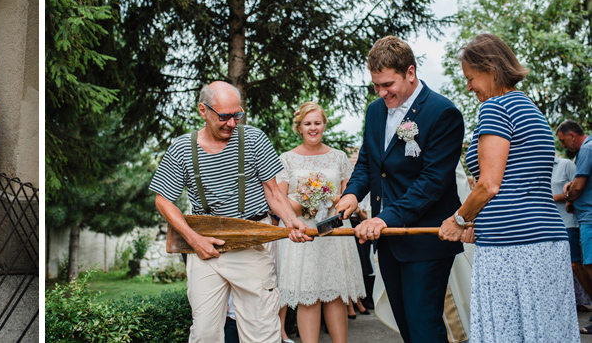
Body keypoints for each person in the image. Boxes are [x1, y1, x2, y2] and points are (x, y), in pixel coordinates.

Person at [436, 33, 576, 341]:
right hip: (546, 239)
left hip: (512, 248)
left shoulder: (496, 108)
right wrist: (479, 222)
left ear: (492, 69)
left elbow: (489, 184)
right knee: (545, 332)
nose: (469, 87)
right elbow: (519, 182)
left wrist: (459, 220)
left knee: (507, 333)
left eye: (471, 78)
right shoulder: (529, 108)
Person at [150, 81, 308, 342]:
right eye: (224, 116)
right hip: (206, 248)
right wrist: (194, 240)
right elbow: (163, 200)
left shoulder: (255, 139)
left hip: (252, 243)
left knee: (262, 333)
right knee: (204, 333)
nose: (232, 123)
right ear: (203, 110)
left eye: (237, 114)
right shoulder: (181, 148)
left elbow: (273, 192)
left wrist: (291, 221)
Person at [334, 36, 465, 343]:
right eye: (376, 85)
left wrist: (384, 218)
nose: (382, 93)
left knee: (424, 325)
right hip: (389, 239)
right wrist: (352, 194)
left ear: (410, 72)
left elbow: (433, 182)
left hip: (426, 237)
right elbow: (367, 163)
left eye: (388, 84)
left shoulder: (442, 112)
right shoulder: (375, 111)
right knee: (406, 325)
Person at [275, 102, 364, 343]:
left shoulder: (339, 157)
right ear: (299, 127)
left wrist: (330, 197)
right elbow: (280, 202)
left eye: (317, 122)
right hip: (303, 235)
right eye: (307, 124)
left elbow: (349, 199)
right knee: (308, 295)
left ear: (324, 124)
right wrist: (306, 203)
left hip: (333, 233)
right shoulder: (287, 159)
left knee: (335, 294)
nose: (313, 128)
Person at [558, 120, 592, 333]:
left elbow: (579, 185)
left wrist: (570, 194)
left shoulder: (586, 149)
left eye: (563, 140)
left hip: (589, 217)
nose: (563, 146)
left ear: (572, 134)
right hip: (585, 215)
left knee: (589, 266)